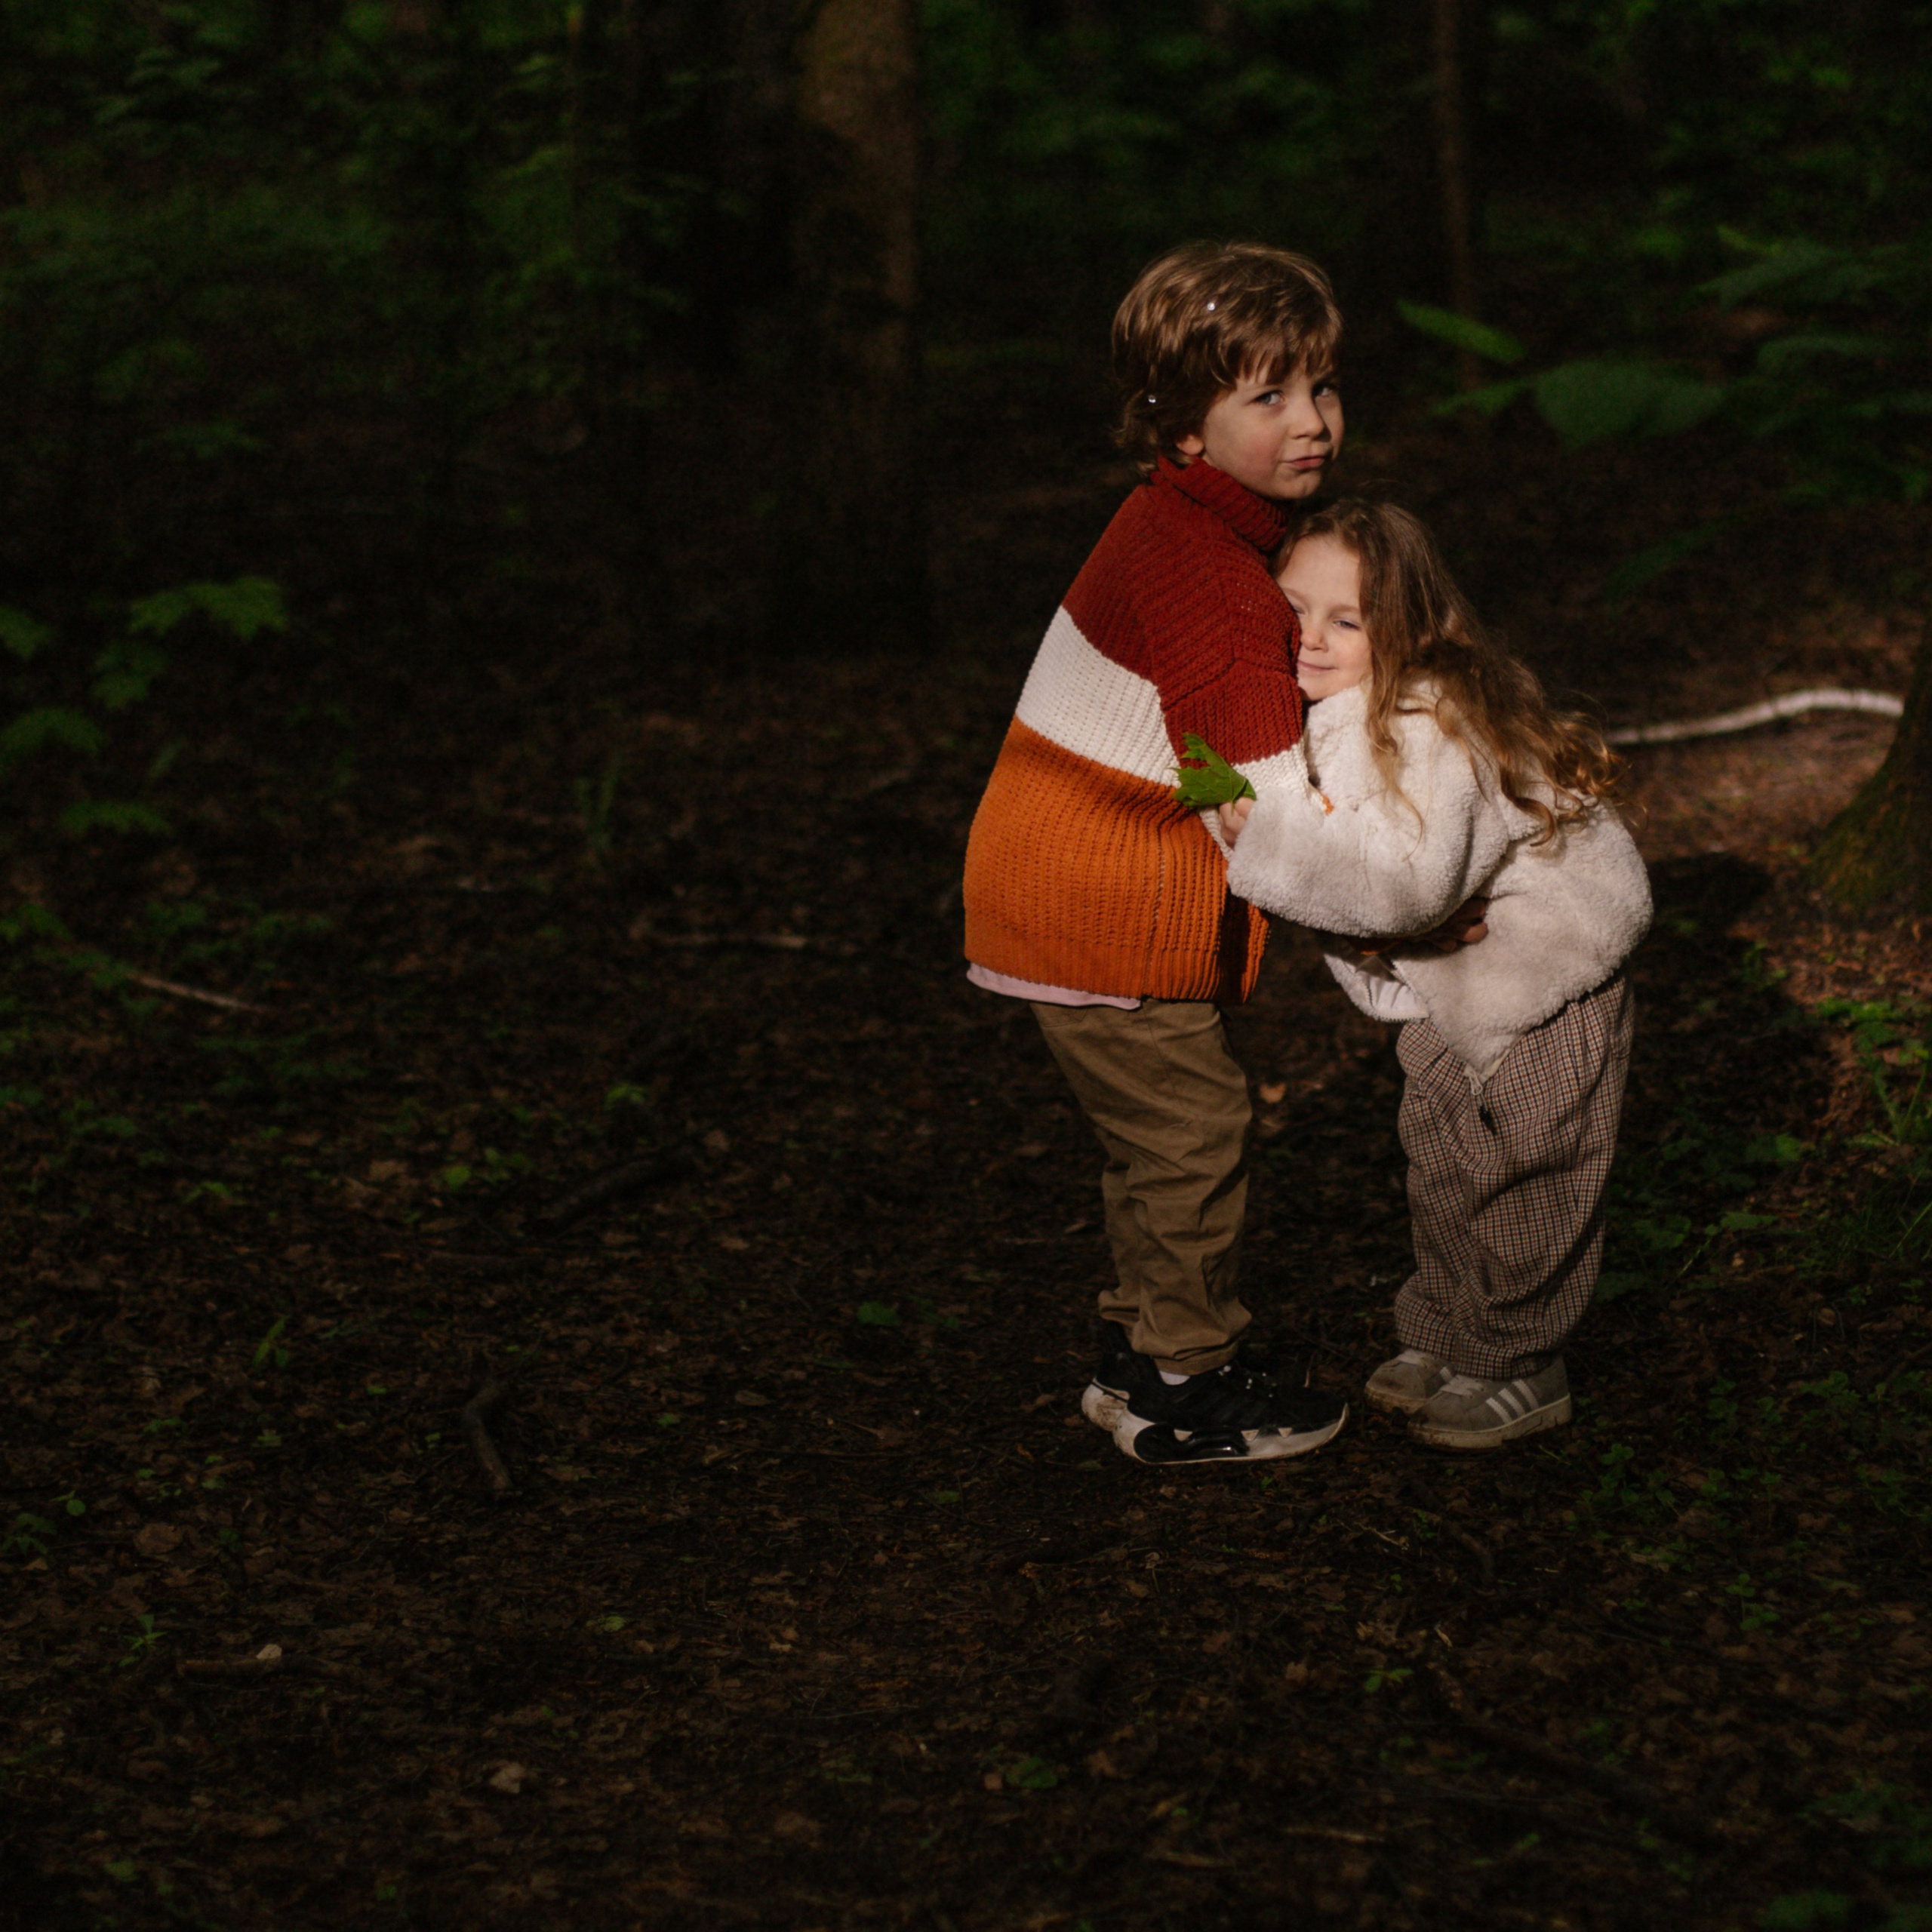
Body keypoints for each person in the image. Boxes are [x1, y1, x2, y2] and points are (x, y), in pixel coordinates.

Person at [963, 242, 1480, 1466]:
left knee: (1159, 1142)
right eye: (1268, 397)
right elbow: (1275, 825)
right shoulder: (1218, 582)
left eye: (1324, 387)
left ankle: (1148, 1350)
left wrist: (1198, 783)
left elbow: (1203, 761)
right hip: (1094, 904)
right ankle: (1185, 1390)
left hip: (1059, 888)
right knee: (1194, 1133)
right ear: (1181, 425)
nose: (1314, 423)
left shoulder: (1175, 522)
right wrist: (1408, 924)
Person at [1216, 499, 1651, 1451]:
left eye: (1347, 619)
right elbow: (1357, 874)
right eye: (1295, 610)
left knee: (1529, 1166)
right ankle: (1449, 1328)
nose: (1314, 639)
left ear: (1405, 628)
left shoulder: (1430, 719)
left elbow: (1402, 885)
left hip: (1542, 980)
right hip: (1451, 984)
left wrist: (1268, 835)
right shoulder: (1331, 713)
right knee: (1444, 1155)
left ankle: (1522, 1359)